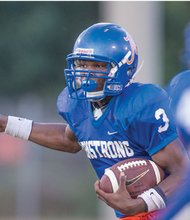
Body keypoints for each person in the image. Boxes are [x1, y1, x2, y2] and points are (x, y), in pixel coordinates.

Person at [0, 22, 189, 220]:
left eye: (98, 66)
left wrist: (141, 203)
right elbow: (71, 139)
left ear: (122, 67)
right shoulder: (76, 104)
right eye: (82, 64)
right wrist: (7, 124)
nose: (87, 73)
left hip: (168, 210)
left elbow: (183, 172)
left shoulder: (140, 106)